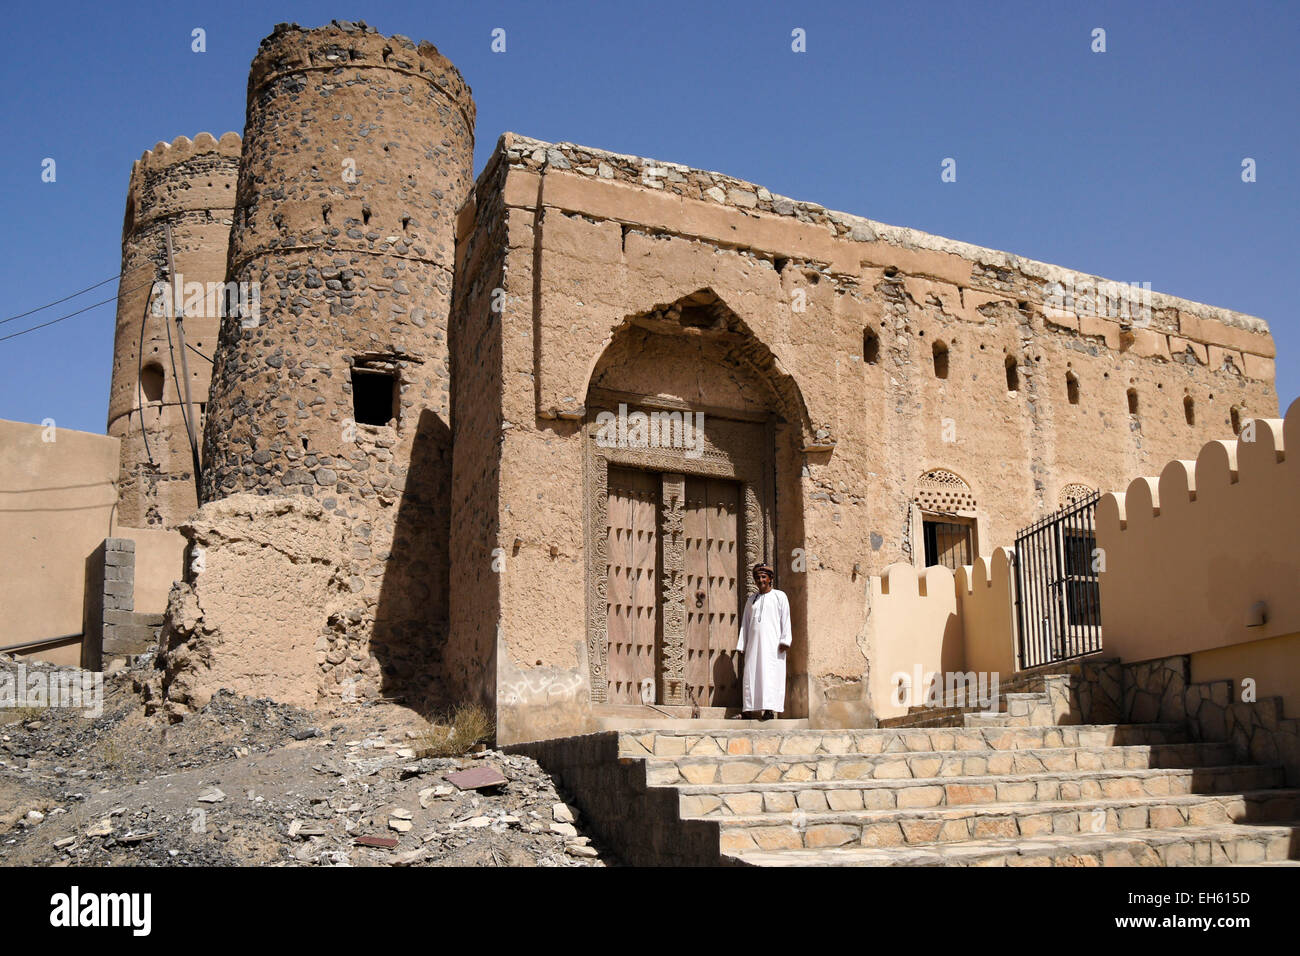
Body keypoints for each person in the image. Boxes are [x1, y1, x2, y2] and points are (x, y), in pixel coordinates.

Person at [735, 562, 792, 720]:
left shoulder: (780, 596)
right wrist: (742, 645)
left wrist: (785, 640)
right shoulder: (751, 600)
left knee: (770, 676)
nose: (760, 580)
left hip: (773, 646)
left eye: (763, 577)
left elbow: (785, 619)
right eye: (758, 577)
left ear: (770, 578)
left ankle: (769, 710)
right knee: (751, 675)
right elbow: (745, 624)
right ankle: (748, 710)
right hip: (753, 646)